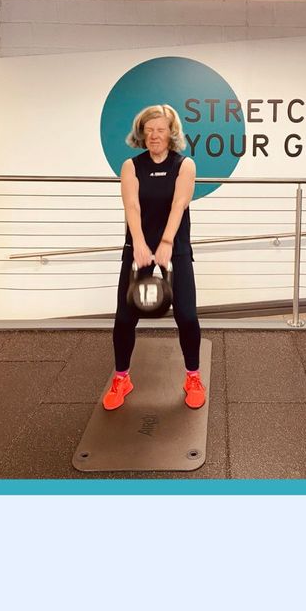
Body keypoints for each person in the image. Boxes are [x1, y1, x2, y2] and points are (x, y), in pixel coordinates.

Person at [104, 104, 204, 411]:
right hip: (137, 249)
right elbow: (131, 207)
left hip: (176, 248)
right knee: (124, 318)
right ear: (141, 134)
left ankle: (193, 376)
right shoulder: (131, 166)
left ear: (171, 133)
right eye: (148, 130)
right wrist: (139, 244)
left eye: (160, 130)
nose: (154, 136)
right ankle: (122, 377)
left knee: (186, 315)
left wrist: (165, 243)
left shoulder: (184, 165)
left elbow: (179, 205)